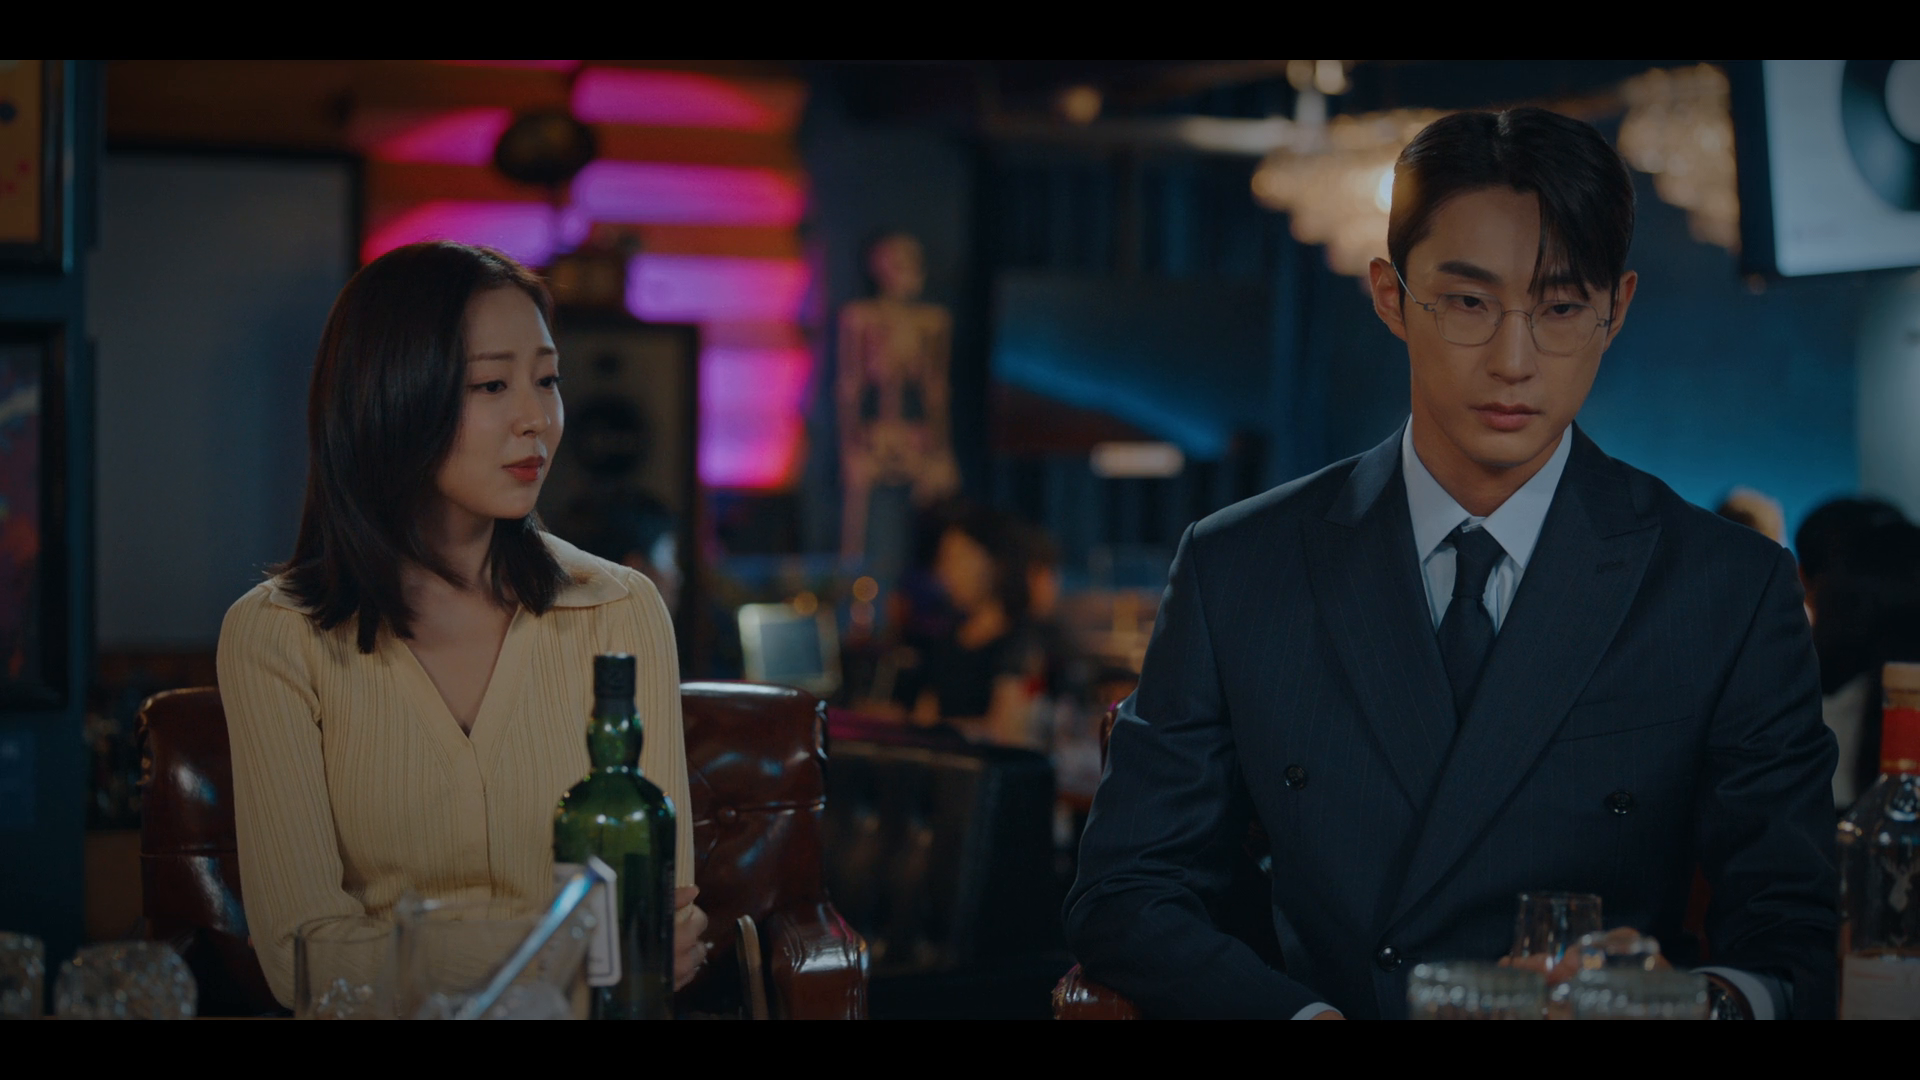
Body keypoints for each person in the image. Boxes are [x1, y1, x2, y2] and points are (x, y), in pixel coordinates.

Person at [1065, 109, 1838, 1020]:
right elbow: (1126, 892)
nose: (1513, 361)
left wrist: (1687, 1005)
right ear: (1391, 297)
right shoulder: (1239, 566)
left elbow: (1792, 935)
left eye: (1559, 309)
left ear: (1616, 309)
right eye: (1469, 303)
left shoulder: (1727, 589)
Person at [217, 242, 709, 1008]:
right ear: (392, 398)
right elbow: (302, 958)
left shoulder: (620, 609)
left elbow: (658, 918)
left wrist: (420, 949)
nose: (536, 418)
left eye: (547, 380)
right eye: (491, 384)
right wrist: (567, 947)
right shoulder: (276, 637)